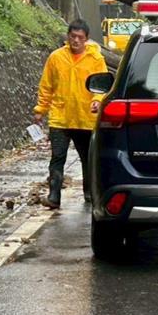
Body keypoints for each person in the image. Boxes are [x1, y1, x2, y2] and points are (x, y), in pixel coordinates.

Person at [33, 19, 108, 208]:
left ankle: (90, 194)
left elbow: (102, 86)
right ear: (68, 37)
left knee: (88, 159)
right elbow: (46, 86)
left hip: (85, 118)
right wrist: (40, 109)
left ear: (87, 39)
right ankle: (54, 196)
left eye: (80, 37)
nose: (76, 40)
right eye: (72, 36)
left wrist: (97, 101)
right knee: (57, 158)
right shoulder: (56, 57)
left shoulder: (96, 59)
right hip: (61, 117)